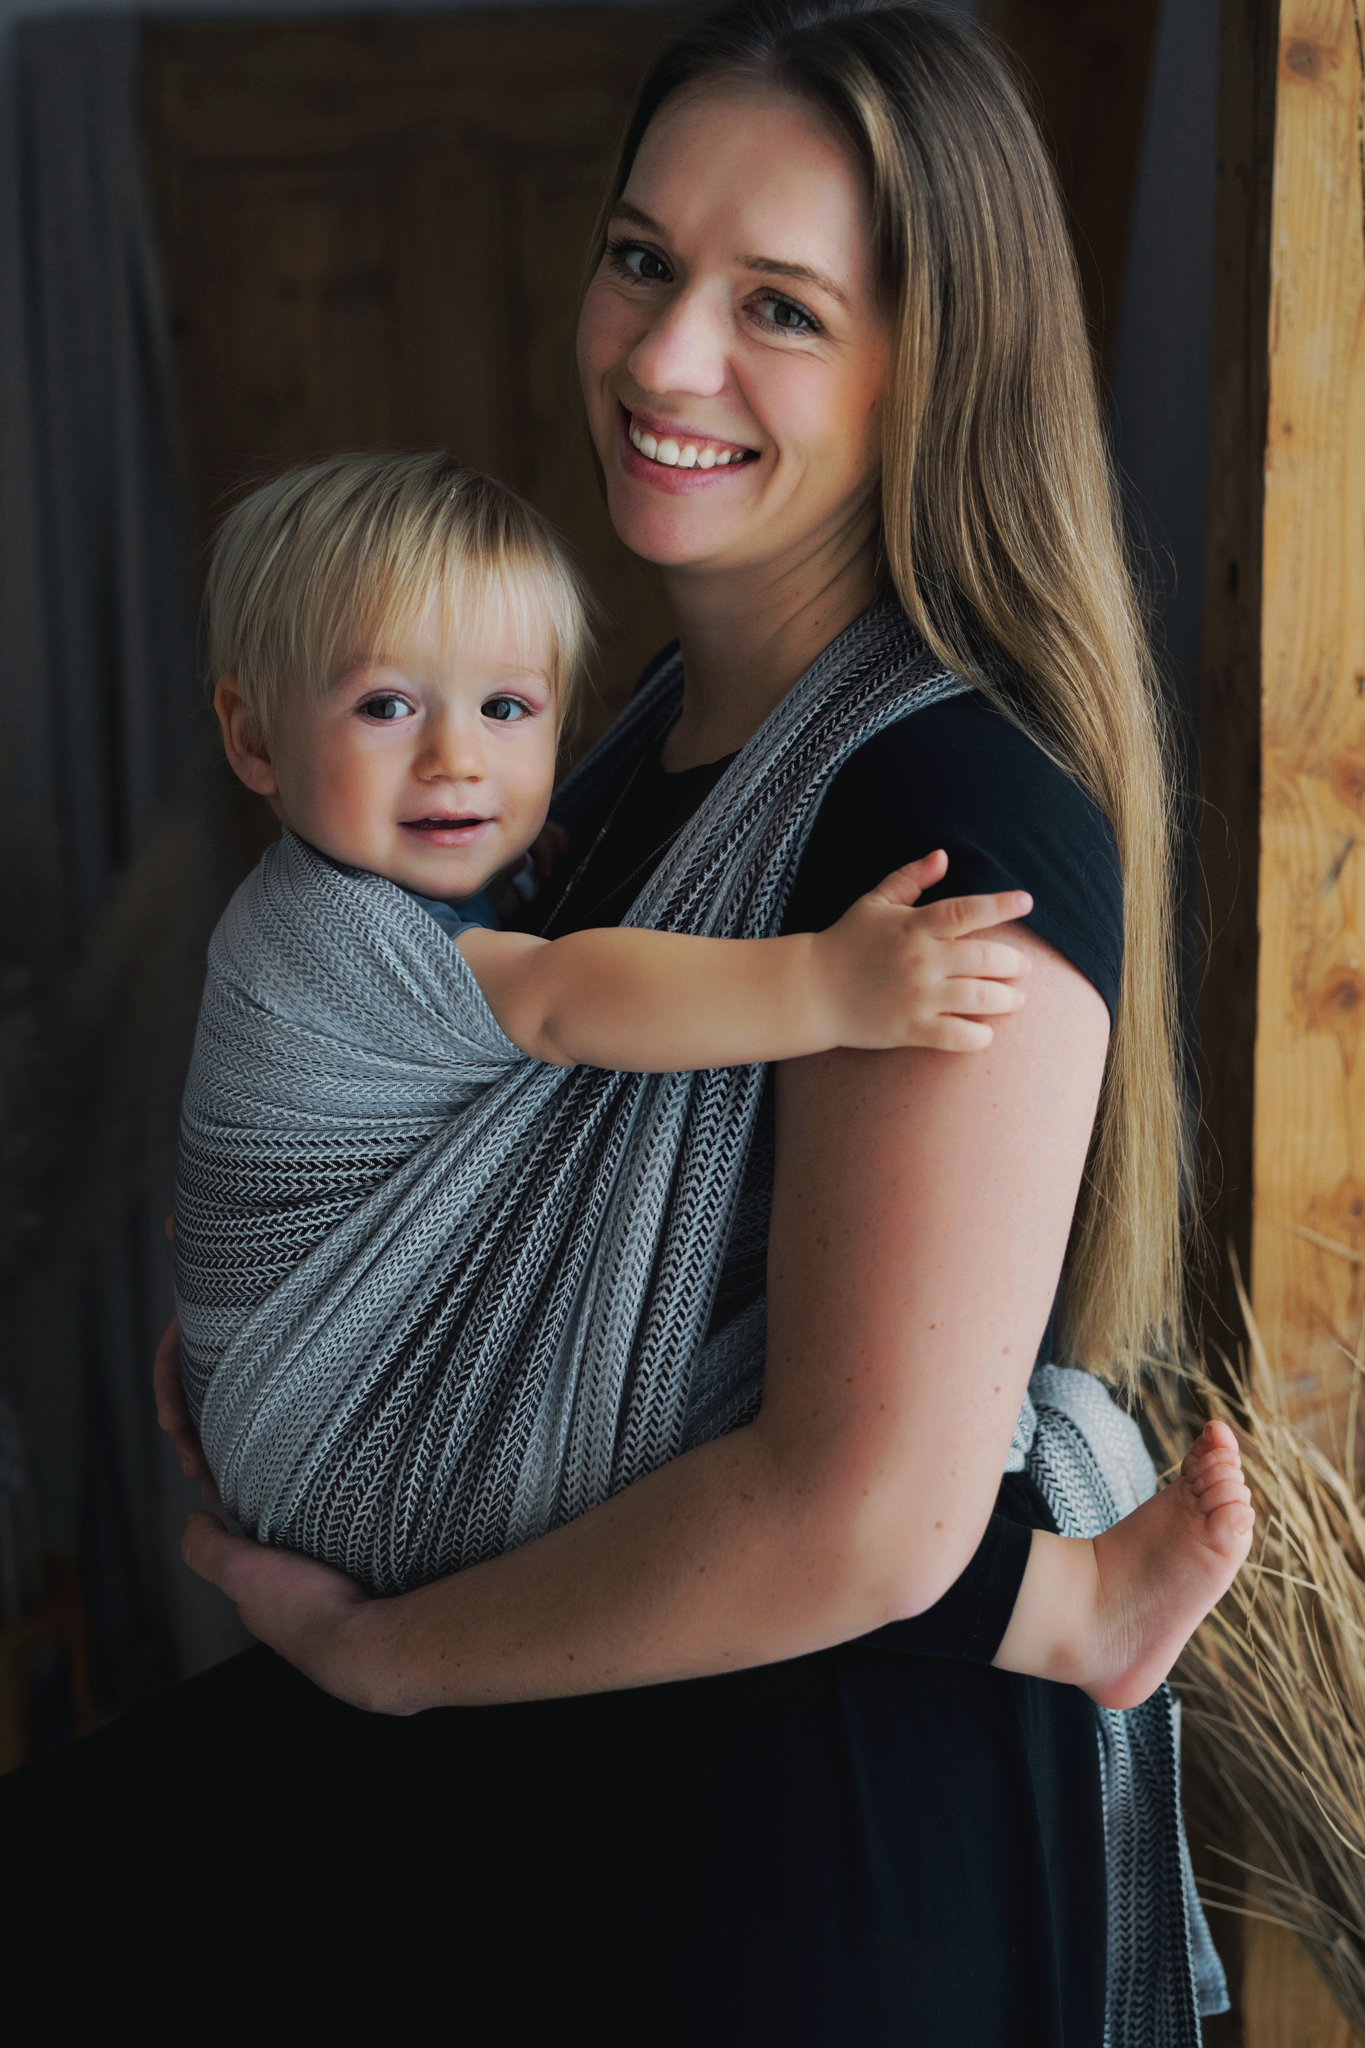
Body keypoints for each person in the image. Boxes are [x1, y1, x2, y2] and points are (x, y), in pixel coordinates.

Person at [4, 6, 1243, 2040]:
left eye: (780, 306)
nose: (665, 359)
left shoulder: (951, 818)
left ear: (929, 364)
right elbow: (451, 1139)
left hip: (787, 1848)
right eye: (643, 259)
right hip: (577, 1757)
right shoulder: (590, 769)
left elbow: (861, 1513)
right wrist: (307, 1301)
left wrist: (387, 1650)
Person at [181, 446, 1250, 1698]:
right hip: (359, 1440)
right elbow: (568, 997)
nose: (455, 759)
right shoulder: (330, 932)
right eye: (385, 707)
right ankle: (1073, 1610)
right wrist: (826, 984)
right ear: (252, 734)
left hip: (289, 1407)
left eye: (506, 708)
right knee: (745, 1446)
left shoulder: (438, 880)